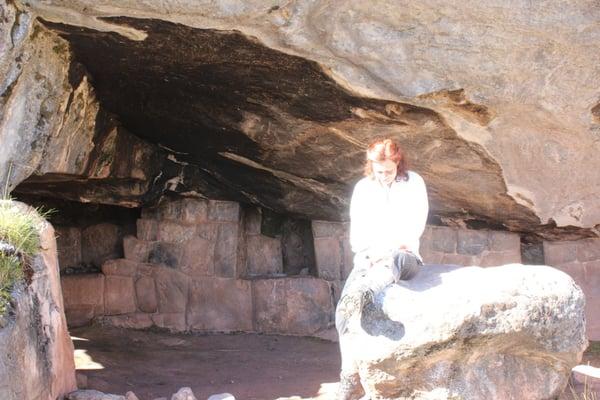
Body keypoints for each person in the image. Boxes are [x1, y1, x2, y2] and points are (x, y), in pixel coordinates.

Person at [335, 138, 429, 400]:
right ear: (371, 166)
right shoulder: (363, 189)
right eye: (379, 171)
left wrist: (388, 250)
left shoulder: (414, 183)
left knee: (398, 259)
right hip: (369, 258)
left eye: (388, 170)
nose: (384, 175)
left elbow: (414, 227)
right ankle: (348, 377)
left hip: (402, 255)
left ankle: (369, 289)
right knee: (343, 312)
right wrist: (368, 253)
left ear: (398, 163)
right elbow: (358, 231)